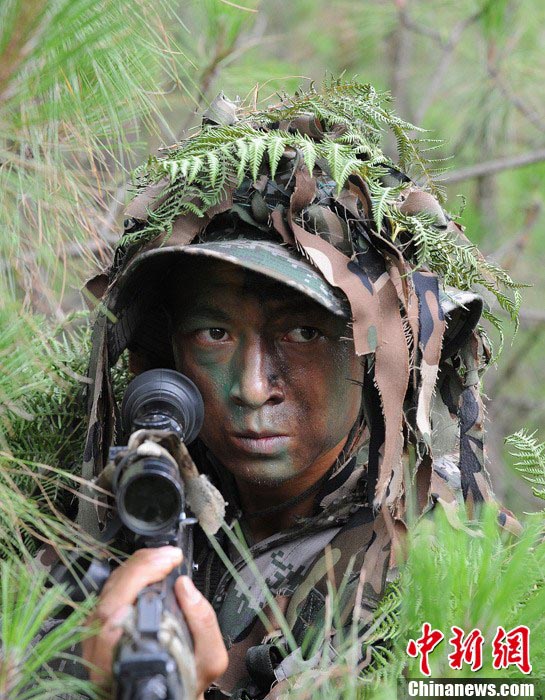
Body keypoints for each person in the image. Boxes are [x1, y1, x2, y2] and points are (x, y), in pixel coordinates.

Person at [76, 83, 520, 699]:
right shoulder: (101, 525)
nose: (254, 387)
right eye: (215, 333)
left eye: (305, 332)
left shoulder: (469, 571)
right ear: (169, 350)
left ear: (378, 357)